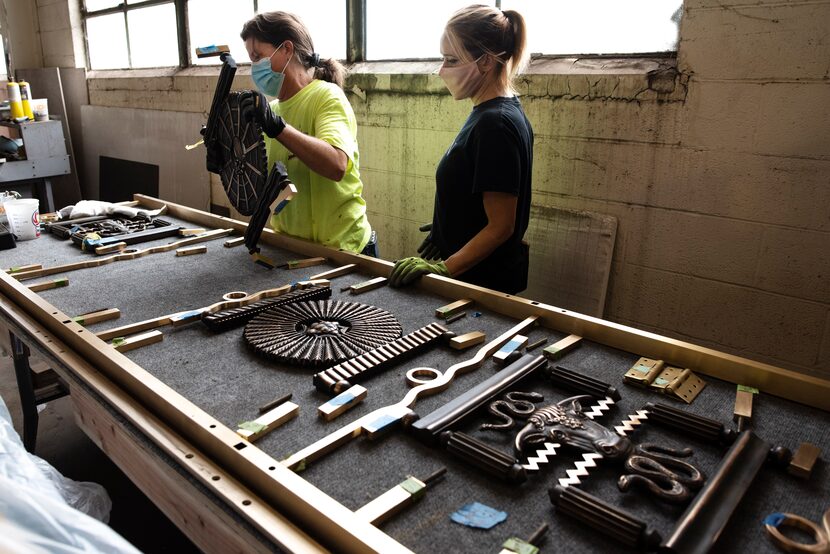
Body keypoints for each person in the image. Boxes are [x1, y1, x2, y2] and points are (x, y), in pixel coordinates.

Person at [389, 5, 533, 294]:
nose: (442, 70)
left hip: (482, 283)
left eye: (452, 60)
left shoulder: (496, 124)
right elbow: (479, 185)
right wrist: (450, 224)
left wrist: (444, 268)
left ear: (485, 62)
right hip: (473, 275)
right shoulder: (488, 112)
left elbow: (501, 226)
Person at [238, 12, 376, 255]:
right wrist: (229, 161)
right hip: (290, 249)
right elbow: (257, 186)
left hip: (342, 250)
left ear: (286, 49)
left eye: (257, 57)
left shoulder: (327, 97)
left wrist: (278, 128)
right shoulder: (271, 111)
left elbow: (336, 165)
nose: (254, 68)